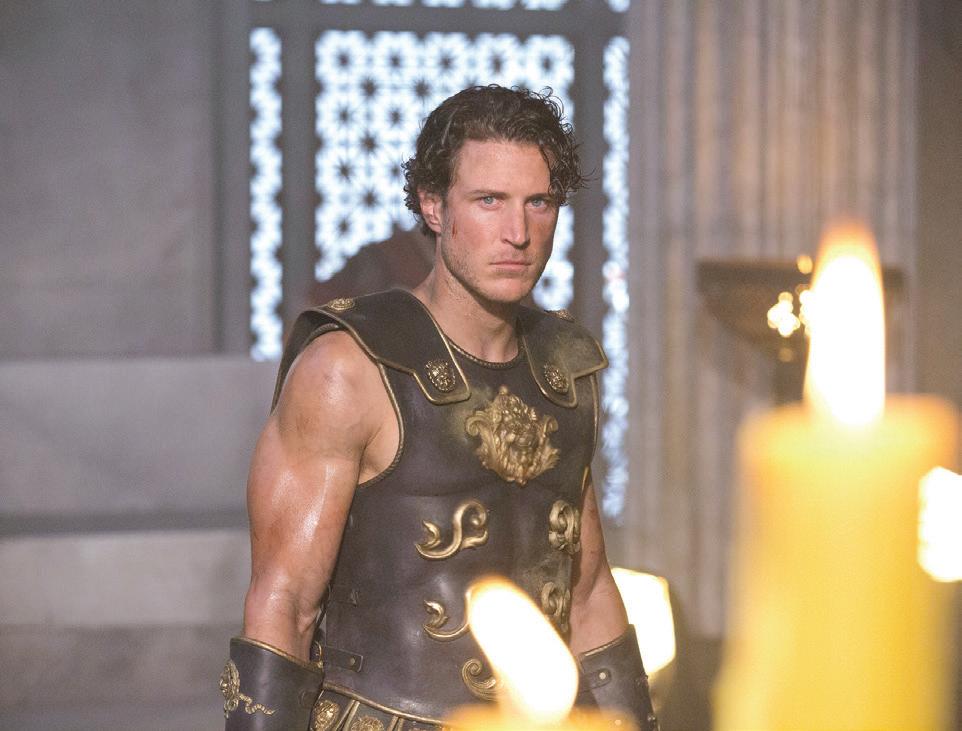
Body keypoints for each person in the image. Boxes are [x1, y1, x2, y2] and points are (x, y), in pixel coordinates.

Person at [220, 85, 658, 731]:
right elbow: (283, 604)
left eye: (538, 202)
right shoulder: (350, 368)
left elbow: (589, 595)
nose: (517, 233)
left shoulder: (566, 370)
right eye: (489, 201)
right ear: (433, 205)